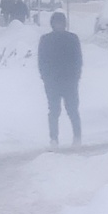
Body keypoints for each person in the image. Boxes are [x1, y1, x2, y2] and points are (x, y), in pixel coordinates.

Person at [37, 10, 82, 149]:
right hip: (52, 82)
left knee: (72, 110)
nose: (59, 25)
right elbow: (41, 60)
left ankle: (77, 137)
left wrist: (76, 76)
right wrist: (45, 77)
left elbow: (78, 59)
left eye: (61, 23)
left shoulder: (72, 38)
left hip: (69, 81)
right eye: (57, 23)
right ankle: (54, 139)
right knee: (54, 111)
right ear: (52, 24)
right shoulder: (45, 40)